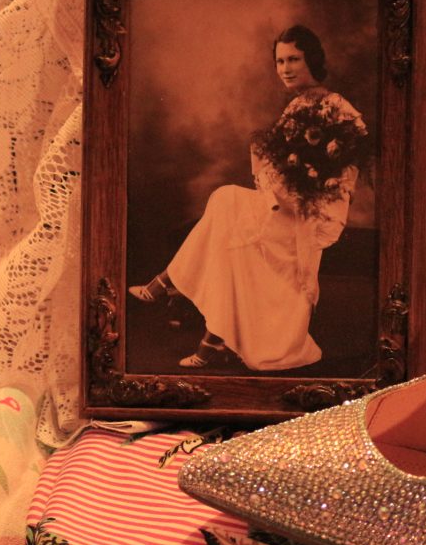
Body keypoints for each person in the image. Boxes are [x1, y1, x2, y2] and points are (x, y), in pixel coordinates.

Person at [130, 25, 368, 370]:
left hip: (308, 214)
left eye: (294, 59)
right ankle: (210, 336)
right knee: (228, 224)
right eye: (279, 61)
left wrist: (304, 186)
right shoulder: (298, 105)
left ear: (312, 60)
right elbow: (276, 164)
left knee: (226, 202)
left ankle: (168, 284)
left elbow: (344, 171)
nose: (285, 68)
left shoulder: (337, 107)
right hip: (284, 204)